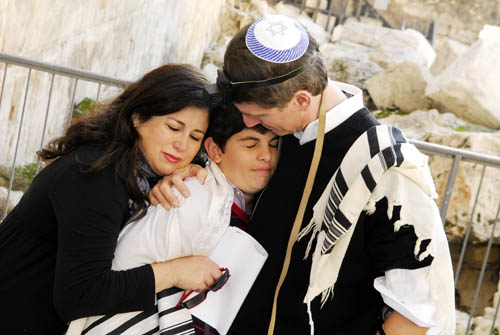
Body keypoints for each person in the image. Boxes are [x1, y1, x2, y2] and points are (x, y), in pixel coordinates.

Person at [152, 15, 456, 335]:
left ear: (301, 99)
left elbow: (418, 310)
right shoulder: (283, 132)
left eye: (259, 115)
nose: (250, 124)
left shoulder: (386, 168)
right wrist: (189, 170)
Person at [0, 64, 224, 334]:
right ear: (138, 118)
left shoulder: (135, 166)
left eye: (195, 137)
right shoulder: (96, 176)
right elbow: (80, 294)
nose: (182, 145)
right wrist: (175, 272)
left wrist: (185, 170)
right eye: (174, 128)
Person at [67, 105, 279, 335]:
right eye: (250, 144)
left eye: (274, 145)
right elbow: (124, 265)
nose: (266, 156)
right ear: (215, 150)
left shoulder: (256, 205)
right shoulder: (189, 197)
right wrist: (175, 272)